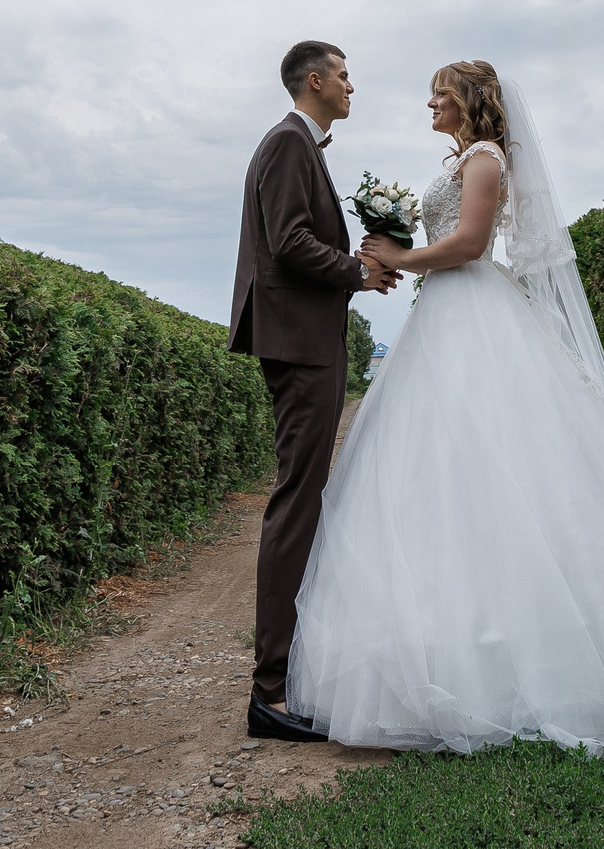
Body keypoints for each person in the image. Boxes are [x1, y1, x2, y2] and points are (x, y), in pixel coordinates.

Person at [285, 61, 604, 759]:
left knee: (504, 462)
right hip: (445, 315)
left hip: (472, 310)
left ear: (468, 100)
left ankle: (542, 666)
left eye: (439, 92)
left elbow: (469, 244)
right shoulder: (470, 157)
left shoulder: (488, 158)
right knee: (442, 471)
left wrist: (401, 257)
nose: (429, 101)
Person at [228, 40, 396, 742]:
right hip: (299, 343)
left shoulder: (302, 144)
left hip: (304, 339)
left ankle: (285, 674)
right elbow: (290, 240)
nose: (354, 85)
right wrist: (357, 272)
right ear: (316, 79)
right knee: (297, 501)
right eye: (346, 74)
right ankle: (269, 691)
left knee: (303, 496)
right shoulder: (290, 143)